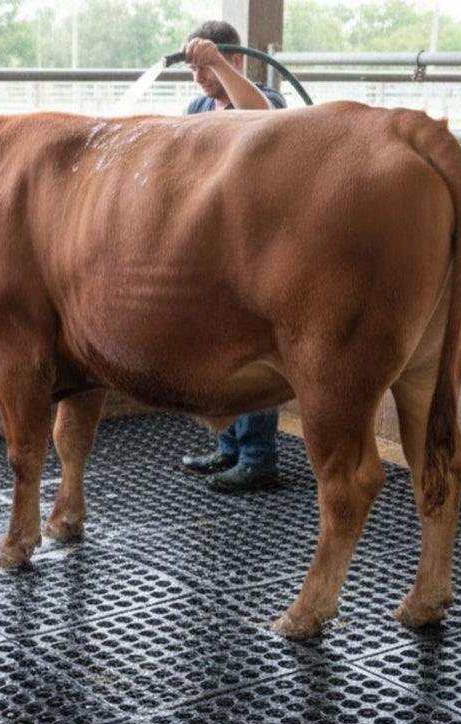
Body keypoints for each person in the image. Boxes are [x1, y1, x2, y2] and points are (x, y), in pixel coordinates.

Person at [178, 21, 286, 493]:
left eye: (208, 66)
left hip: (258, 242)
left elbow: (261, 120)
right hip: (214, 243)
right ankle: (230, 451)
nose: (200, 77)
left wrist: (219, 62)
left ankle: (260, 458)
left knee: (252, 346)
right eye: (195, 69)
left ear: (235, 59)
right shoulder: (199, 107)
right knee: (221, 346)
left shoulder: (265, 96)